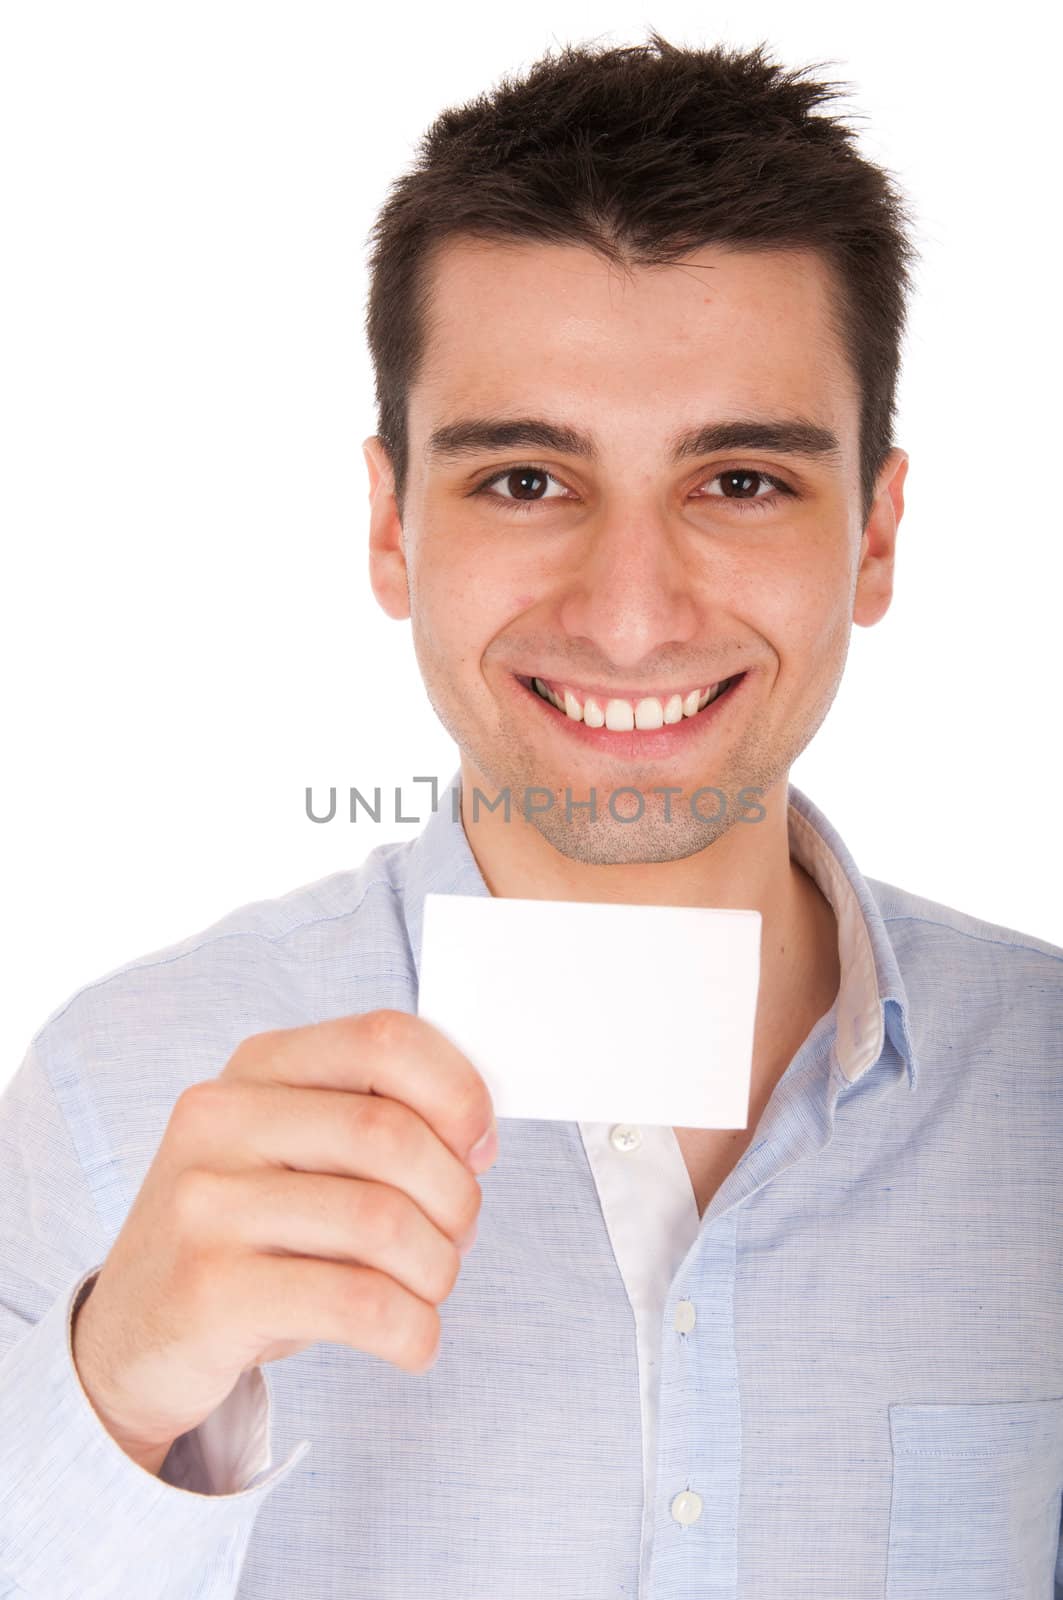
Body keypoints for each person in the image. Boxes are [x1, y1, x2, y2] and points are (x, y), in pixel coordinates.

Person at [1, 29, 1060, 1600]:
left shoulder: (1045, 1097)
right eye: (524, 481)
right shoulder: (121, 1089)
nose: (630, 617)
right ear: (390, 526)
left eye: (743, 481)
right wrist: (120, 1396)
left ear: (879, 537)